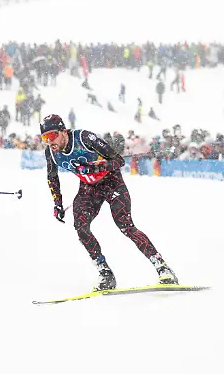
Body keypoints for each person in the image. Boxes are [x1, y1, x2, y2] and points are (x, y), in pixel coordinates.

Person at [40, 114, 178, 290]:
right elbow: (52, 178)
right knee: (81, 228)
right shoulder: (51, 153)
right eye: (45, 138)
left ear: (63, 131)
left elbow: (118, 160)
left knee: (125, 226)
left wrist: (94, 167)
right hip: (89, 188)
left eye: (52, 135)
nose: (49, 141)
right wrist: (57, 203)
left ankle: (163, 268)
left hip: (112, 182)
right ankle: (105, 274)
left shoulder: (84, 138)